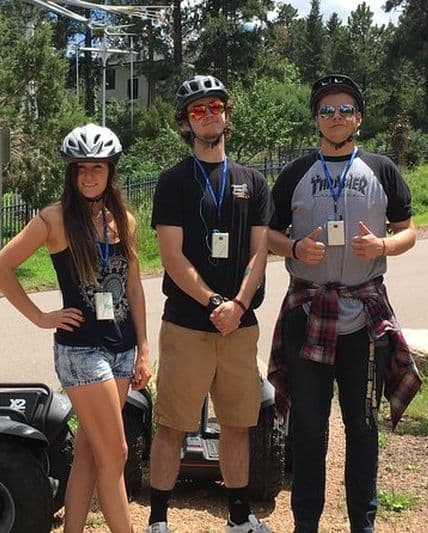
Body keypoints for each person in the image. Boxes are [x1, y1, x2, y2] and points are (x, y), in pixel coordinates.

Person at [267, 74, 422, 532]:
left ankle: (363, 524)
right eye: (327, 110)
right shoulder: (295, 172)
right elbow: (269, 235)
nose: (336, 118)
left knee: (363, 428)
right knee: (309, 429)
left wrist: (384, 246)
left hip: (363, 319)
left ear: (359, 117)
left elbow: (409, 229)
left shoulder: (381, 168)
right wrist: (294, 249)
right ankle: (306, 525)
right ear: (316, 118)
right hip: (308, 313)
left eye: (345, 110)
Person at [0, 123, 151, 533]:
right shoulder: (53, 219)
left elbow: (133, 287)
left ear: (112, 170)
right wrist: (41, 317)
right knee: (116, 453)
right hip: (81, 351)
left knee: (90, 454)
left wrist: (144, 348)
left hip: (120, 347)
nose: (90, 176)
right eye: (81, 168)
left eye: (98, 167)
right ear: (71, 172)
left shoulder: (124, 221)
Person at [146, 75, 272, 533]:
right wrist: (214, 301)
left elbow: (261, 252)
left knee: (237, 424)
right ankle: (158, 519)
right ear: (185, 122)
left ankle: (238, 517)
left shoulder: (253, 182)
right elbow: (171, 256)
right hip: (186, 324)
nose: (209, 115)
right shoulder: (173, 182)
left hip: (239, 327)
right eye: (198, 110)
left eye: (215, 106)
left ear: (227, 113)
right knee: (173, 425)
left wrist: (237, 305)